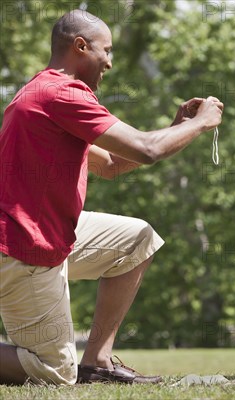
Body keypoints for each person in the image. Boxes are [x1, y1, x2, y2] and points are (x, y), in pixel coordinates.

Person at [0, 10, 223, 385]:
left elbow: (113, 164)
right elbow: (147, 150)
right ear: (80, 46)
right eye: (106, 51)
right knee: (53, 372)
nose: (110, 62)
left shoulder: (42, 91)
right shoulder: (61, 94)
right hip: (22, 246)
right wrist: (202, 123)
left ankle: (98, 362)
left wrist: (176, 129)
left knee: (136, 240)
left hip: (42, 232)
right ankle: (75, 367)